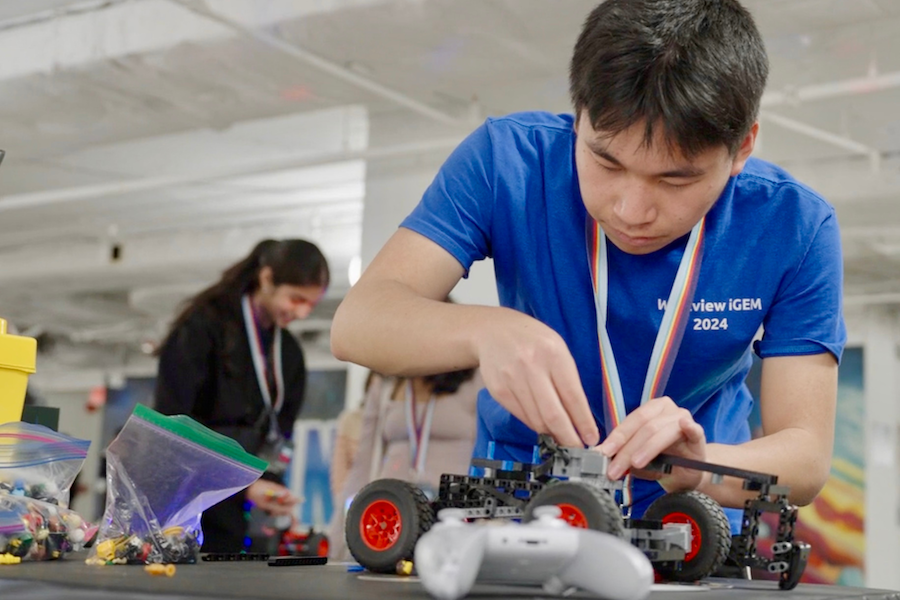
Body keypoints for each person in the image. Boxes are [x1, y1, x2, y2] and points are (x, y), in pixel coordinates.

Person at [331, 0, 845, 533]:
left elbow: (806, 459)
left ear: (742, 149)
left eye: (675, 180)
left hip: (688, 525)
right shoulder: (506, 162)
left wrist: (699, 465)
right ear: (578, 115)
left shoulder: (794, 225)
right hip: (522, 513)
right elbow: (358, 323)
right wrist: (486, 330)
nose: (632, 210)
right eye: (605, 161)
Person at [155, 238, 330, 552]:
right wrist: (242, 487)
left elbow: (281, 435)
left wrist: (273, 490)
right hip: (184, 504)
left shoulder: (289, 354)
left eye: (311, 305)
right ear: (266, 279)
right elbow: (173, 428)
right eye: (296, 298)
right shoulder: (203, 328)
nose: (302, 313)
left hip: (238, 518)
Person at [328, 367, 480, 559]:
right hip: (392, 518)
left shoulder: (475, 378)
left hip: (452, 519)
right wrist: (339, 538)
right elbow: (363, 465)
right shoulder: (386, 381)